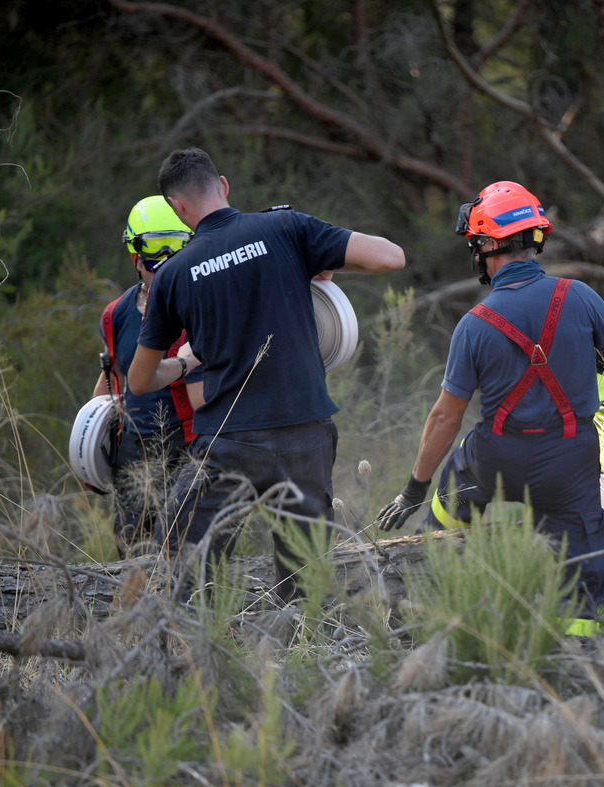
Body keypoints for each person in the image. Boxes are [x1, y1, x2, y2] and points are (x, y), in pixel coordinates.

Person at [128, 147, 406, 603]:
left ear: (178, 208)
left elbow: (139, 381)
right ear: (224, 185)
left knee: (186, 575)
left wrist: (184, 363)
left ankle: (195, 656)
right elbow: (390, 257)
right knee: (306, 586)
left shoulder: (174, 275)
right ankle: (305, 653)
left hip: (229, 442)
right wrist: (317, 261)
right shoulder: (286, 227)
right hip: (307, 435)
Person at [375, 181, 604, 632]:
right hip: (569, 466)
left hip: (498, 462)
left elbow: (446, 417)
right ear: (533, 240)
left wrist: (413, 489)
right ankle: (575, 644)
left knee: (454, 487)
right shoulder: (578, 297)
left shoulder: (474, 325)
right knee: (583, 552)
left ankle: (423, 578)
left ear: (488, 245)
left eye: (476, 244)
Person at [93, 195, 202, 557]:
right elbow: (113, 378)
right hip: (134, 452)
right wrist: (90, 443)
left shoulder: (202, 303)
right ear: (136, 255)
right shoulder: (116, 314)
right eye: (158, 251)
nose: (168, 262)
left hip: (190, 447)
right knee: (133, 554)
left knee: (187, 553)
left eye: (178, 248)